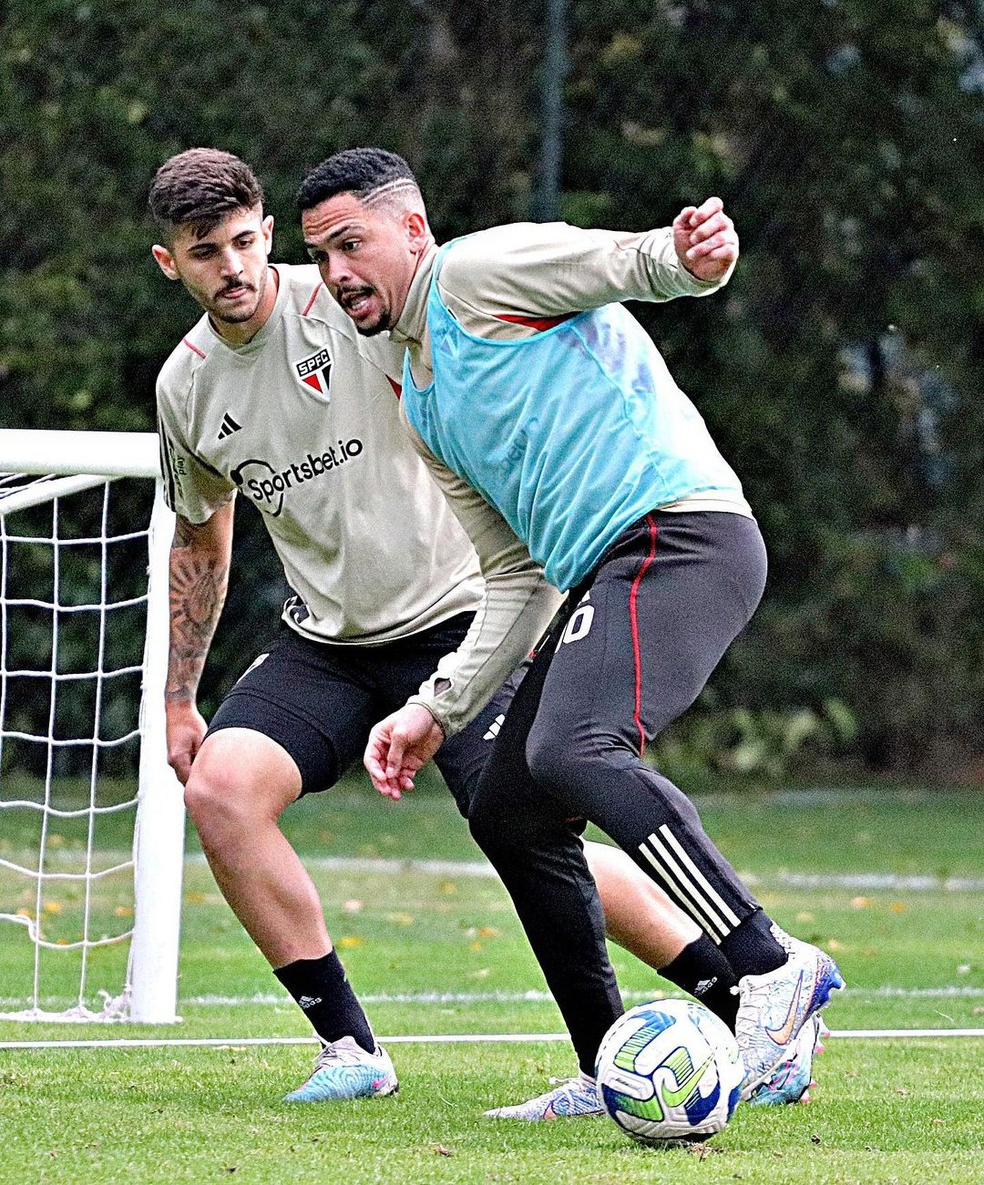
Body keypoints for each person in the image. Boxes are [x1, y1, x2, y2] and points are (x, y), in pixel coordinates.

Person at [148, 148, 812, 1113]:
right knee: (477, 805)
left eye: (252, 242)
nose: (239, 267)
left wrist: (688, 255)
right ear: (172, 263)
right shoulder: (240, 388)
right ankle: (364, 1049)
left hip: (491, 602)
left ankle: (754, 973)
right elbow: (208, 540)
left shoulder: (416, 290)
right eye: (208, 252)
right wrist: (178, 695)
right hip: (339, 641)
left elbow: (611, 265)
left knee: (566, 768)